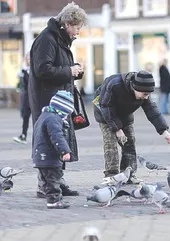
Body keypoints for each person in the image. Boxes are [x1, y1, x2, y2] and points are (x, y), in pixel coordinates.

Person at [28, 2, 88, 198]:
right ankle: (44, 184)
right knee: (47, 139)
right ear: (68, 23)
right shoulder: (47, 40)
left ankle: (57, 180)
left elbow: (59, 69)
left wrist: (75, 71)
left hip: (58, 100)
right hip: (47, 101)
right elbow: (42, 70)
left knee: (59, 138)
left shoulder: (60, 40)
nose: (78, 32)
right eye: (77, 28)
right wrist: (69, 70)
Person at [93, 70, 170, 184]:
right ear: (135, 88)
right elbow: (106, 106)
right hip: (105, 113)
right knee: (110, 144)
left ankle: (129, 175)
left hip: (125, 114)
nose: (146, 97)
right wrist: (117, 129)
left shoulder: (144, 92)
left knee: (129, 142)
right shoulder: (114, 84)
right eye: (144, 94)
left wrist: (164, 132)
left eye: (148, 95)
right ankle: (111, 176)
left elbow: (152, 111)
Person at [32, 91, 75, 209]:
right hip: (49, 157)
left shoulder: (43, 116)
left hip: (40, 156)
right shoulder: (53, 119)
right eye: (66, 114)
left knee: (46, 180)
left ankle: (51, 197)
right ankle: (54, 200)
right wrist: (65, 151)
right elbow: (57, 136)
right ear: (62, 110)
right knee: (54, 179)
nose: (66, 117)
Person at [13, 52, 31, 144]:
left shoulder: (35, 70)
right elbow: (21, 84)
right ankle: (23, 135)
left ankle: (41, 138)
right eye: (27, 58)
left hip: (34, 98)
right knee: (25, 117)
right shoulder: (24, 71)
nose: (28, 60)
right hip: (26, 98)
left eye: (29, 58)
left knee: (39, 119)